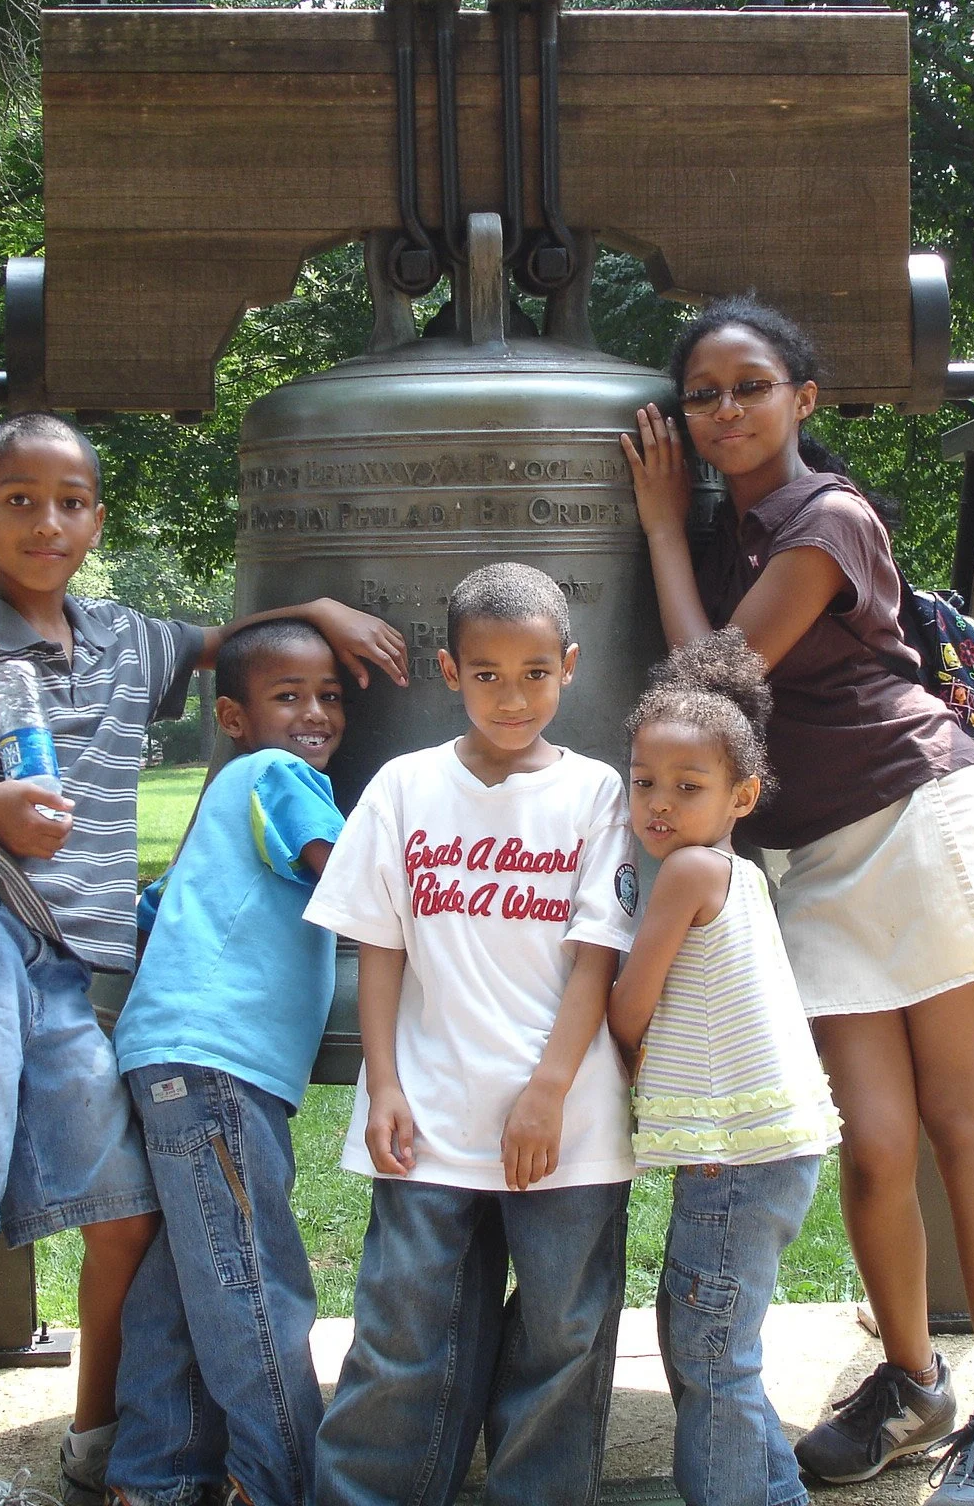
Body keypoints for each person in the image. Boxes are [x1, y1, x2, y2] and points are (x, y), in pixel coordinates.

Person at [0, 412, 407, 1506]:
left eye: (71, 501)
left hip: (65, 963)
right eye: (22, 501)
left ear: (96, 517)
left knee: (126, 1213)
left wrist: (309, 610)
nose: (48, 522)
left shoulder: (127, 640)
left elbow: (226, 648)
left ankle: (103, 1439)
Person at [622, 299, 974, 1506]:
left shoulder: (827, 520)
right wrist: (677, 531)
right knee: (869, 1142)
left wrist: (657, 523)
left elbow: (710, 679)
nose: (723, 412)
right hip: (811, 857)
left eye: (748, 386)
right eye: (701, 393)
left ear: (802, 399)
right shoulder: (729, 538)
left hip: (917, 817)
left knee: (960, 1122)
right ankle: (914, 1383)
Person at [302, 561, 641, 1506]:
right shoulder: (406, 789)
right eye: (487, 673)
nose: (513, 694)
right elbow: (380, 944)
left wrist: (549, 1088)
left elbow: (596, 954)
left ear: (570, 667)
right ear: (450, 673)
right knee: (403, 1335)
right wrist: (383, 1086)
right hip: (432, 1117)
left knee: (564, 1338)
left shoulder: (599, 794)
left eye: (536, 671)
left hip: (567, 1123)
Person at [105, 618, 352, 1506]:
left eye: (330, 695)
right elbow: (349, 877)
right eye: (288, 697)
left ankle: (154, 1478)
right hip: (220, 1065)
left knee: (189, 1282)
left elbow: (156, 907)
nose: (316, 713)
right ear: (235, 717)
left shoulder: (224, 801)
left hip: (174, 1059)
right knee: (255, 1280)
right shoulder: (281, 777)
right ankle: (283, 1483)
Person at [606, 628, 843, 1506]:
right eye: (643, 783)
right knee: (711, 1343)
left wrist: (603, 1033)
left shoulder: (688, 874)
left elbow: (632, 1003)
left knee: (710, 1355)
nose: (658, 804)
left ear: (743, 795)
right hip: (768, 1149)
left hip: (736, 1159)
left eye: (688, 787)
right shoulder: (738, 874)